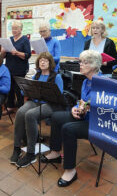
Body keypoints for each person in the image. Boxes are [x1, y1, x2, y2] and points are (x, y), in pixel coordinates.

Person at [43, 50, 102, 187]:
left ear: (94, 66)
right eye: (80, 61)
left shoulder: (103, 83)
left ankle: (70, 170)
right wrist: (75, 108)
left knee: (68, 129)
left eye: (84, 62)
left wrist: (91, 107)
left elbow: (107, 109)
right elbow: (82, 101)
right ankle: (55, 153)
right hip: (84, 116)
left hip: (96, 123)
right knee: (56, 117)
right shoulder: (86, 81)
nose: (80, 65)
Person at [10, 52, 64, 167]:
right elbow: (25, 91)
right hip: (35, 101)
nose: (42, 62)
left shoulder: (56, 76)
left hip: (50, 104)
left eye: (45, 60)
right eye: (40, 61)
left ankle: (30, 153)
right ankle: (17, 148)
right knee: (20, 112)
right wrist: (25, 88)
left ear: (50, 63)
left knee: (30, 115)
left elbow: (59, 97)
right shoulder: (37, 75)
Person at [1, 20, 31, 115]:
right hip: (9, 68)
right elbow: (3, 56)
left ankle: (21, 109)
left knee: (18, 90)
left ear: (21, 29)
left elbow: (27, 55)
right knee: (10, 89)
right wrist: (3, 51)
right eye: (12, 28)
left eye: (16, 28)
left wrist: (17, 53)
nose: (13, 30)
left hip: (20, 69)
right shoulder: (9, 39)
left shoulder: (25, 40)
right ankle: (10, 107)